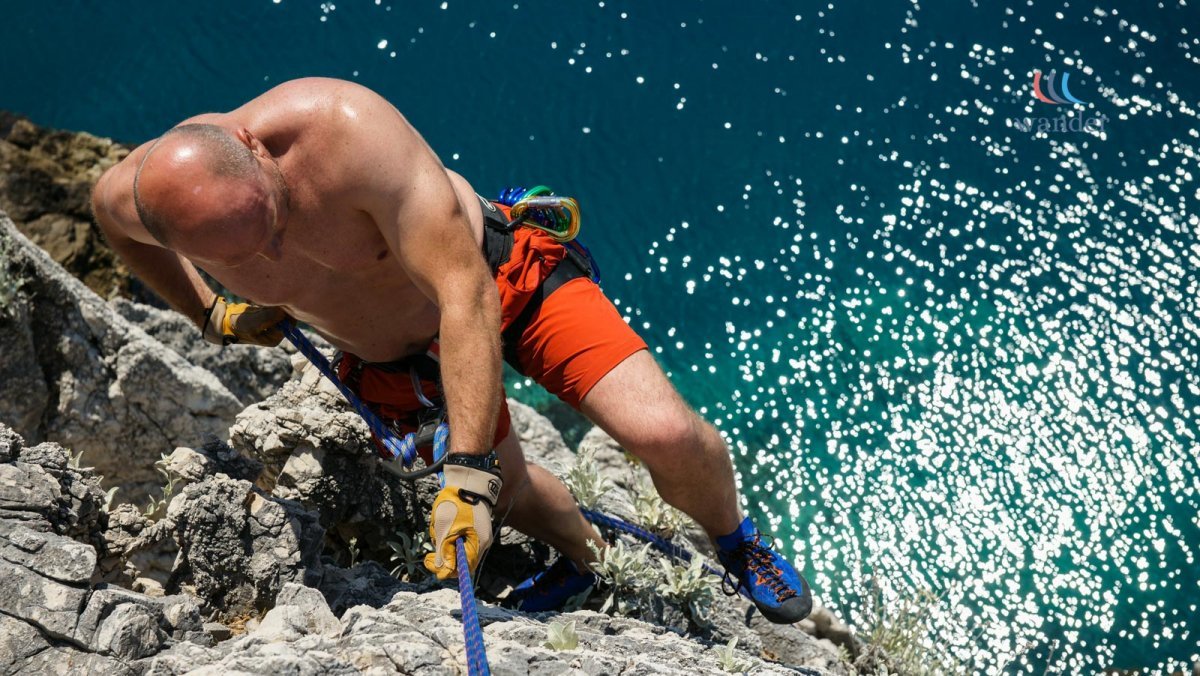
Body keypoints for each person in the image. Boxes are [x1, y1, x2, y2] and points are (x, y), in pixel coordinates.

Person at [90, 77, 810, 623]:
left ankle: (733, 540)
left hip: (503, 283)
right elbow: (107, 214)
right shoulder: (146, 197)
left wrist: (466, 474)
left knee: (669, 435)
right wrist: (210, 312)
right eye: (244, 255)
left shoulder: (347, 134)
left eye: (271, 222)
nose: (274, 252)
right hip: (389, 362)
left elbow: (465, 293)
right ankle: (591, 564)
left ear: (252, 146)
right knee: (517, 491)